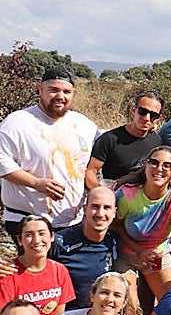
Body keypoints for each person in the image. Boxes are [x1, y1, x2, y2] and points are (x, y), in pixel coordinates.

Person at [0, 66, 99, 234]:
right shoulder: (17, 122)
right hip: (28, 223)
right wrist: (36, 183)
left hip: (73, 223)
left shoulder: (83, 125)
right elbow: (2, 162)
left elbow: (108, 146)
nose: (60, 96)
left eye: (66, 92)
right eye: (53, 90)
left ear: (73, 93)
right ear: (40, 89)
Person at [112, 147, 171, 300]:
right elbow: (115, 225)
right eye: (154, 163)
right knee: (130, 308)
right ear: (146, 166)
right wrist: (139, 250)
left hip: (159, 254)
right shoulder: (128, 194)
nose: (159, 169)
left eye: (167, 165)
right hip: (127, 254)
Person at [45, 186, 121, 310]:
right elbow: (30, 268)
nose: (100, 214)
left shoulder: (116, 241)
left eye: (106, 207)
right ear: (85, 209)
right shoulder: (60, 242)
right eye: (95, 207)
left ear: (114, 212)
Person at [0, 216, 74, 315]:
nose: (36, 240)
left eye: (41, 233)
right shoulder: (8, 274)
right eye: (29, 234)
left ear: (51, 237)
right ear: (20, 240)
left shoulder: (59, 271)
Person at [86, 90, 164, 188]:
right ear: (133, 110)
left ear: (158, 118)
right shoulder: (109, 139)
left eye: (153, 115)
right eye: (142, 112)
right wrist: (102, 195)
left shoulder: (156, 140)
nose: (147, 118)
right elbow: (90, 171)